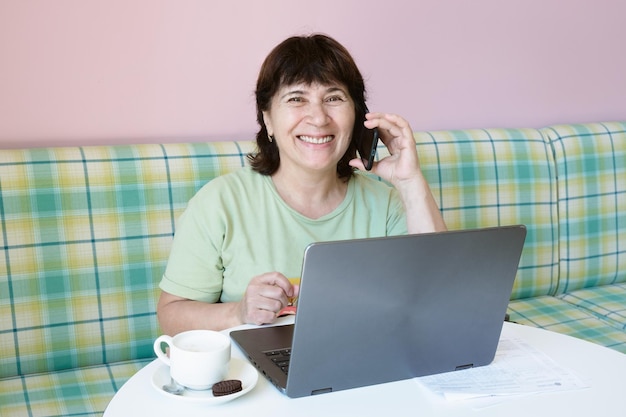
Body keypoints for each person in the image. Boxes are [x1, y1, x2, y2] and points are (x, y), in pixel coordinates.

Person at [157, 34, 447, 335]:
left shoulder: (387, 203)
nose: (318, 118)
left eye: (334, 98)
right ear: (267, 118)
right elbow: (171, 317)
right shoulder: (220, 203)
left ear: (358, 116)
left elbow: (442, 301)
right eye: (296, 99)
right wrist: (239, 312)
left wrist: (410, 182)